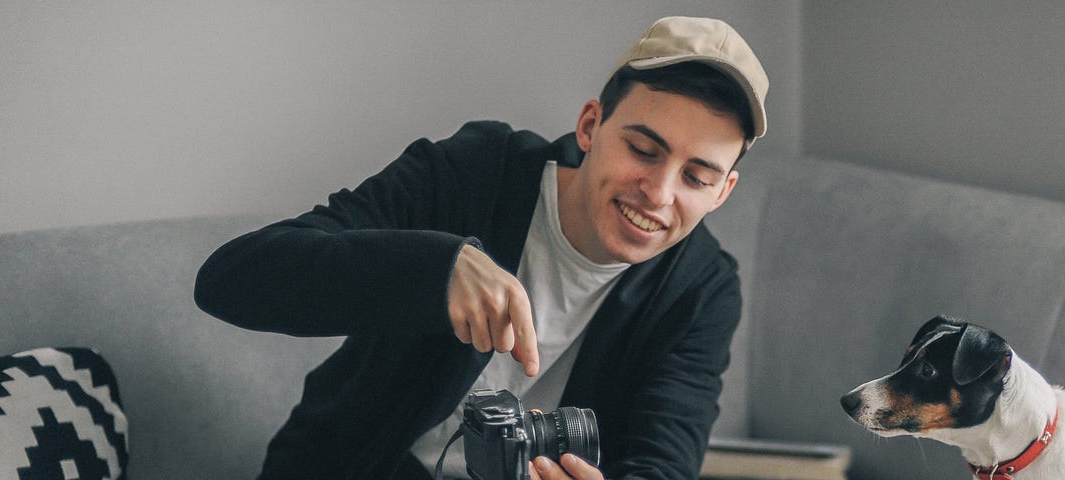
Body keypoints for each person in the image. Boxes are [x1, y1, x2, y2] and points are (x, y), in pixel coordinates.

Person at [193, 16, 768, 480]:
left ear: (723, 191)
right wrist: (436, 270)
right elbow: (233, 278)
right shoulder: (477, 172)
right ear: (591, 125)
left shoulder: (703, 288)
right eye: (643, 149)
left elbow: (664, 460)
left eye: (696, 178)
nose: (660, 193)